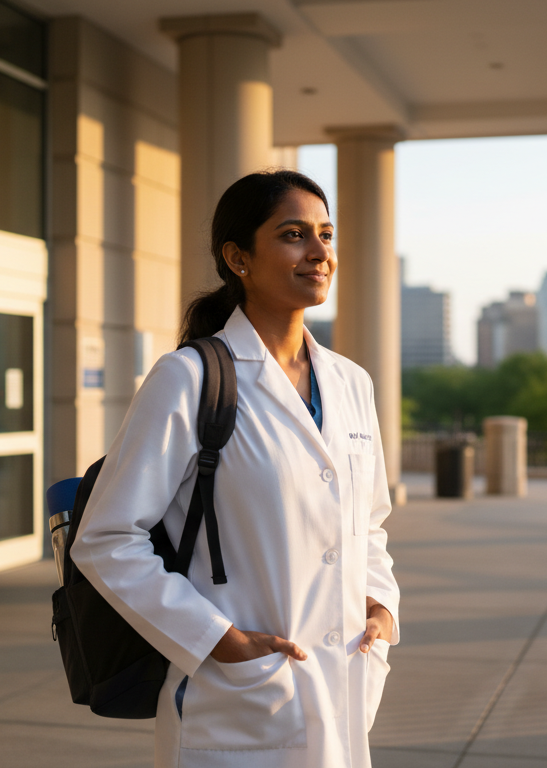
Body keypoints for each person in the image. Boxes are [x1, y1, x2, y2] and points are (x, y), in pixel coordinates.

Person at [69, 170, 399, 768]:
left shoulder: (352, 383)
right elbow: (106, 537)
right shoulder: (190, 379)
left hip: (344, 680)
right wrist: (217, 640)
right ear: (238, 257)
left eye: (326, 234)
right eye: (294, 235)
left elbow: (368, 522)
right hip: (241, 700)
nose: (320, 252)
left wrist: (380, 602)